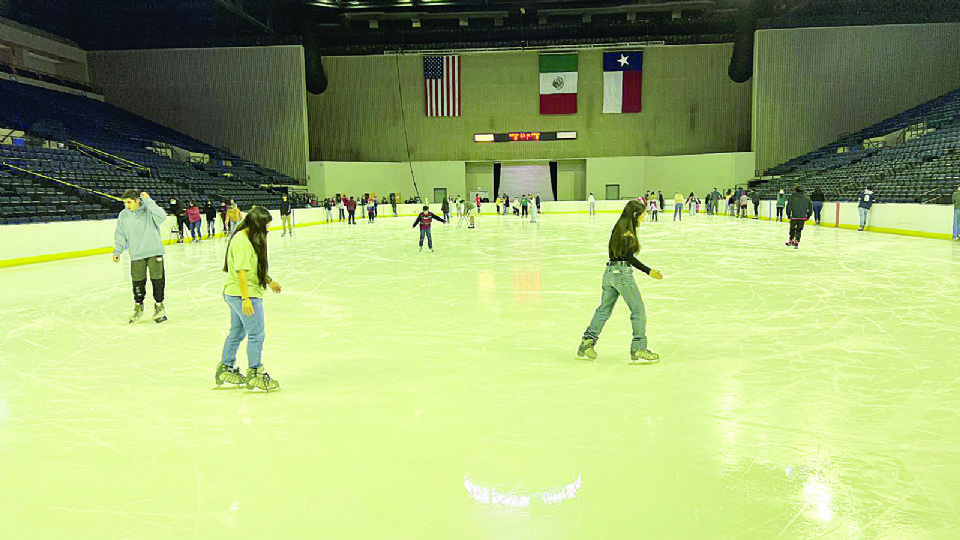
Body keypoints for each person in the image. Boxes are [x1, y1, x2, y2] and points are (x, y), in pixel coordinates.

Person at [577, 200, 663, 364]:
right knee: (638, 310)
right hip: (622, 274)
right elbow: (628, 257)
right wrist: (648, 271)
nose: (644, 217)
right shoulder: (628, 233)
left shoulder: (618, 228)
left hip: (609, 273)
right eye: (643, 214)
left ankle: (587, 342)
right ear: (635, 215)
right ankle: (639, 347)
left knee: (604, 310)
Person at [216, 206, 283, 391]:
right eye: (265, 226)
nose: (267, 230)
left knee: (237, 332)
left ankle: (225, 368)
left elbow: (253, 267)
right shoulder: (242, 242)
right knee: (256, 334)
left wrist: (268, 281)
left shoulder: (246, 238)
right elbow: (242, 273)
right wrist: (246, 299)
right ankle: (255, 372)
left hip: (235, 293)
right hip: (244, 294)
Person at [113, 190, 168, 324]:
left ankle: (159, 306)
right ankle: (138, 307)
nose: (127, 205)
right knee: (137, 282)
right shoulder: (124, 215)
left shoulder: (149, 210)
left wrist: (149, 201)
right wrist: (117, 250)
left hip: (154, 252)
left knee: (157, 280)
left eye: (129, 202)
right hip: (136, 254)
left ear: (137, 200)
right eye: (125, 203)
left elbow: (162, 216)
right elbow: (120, 234)